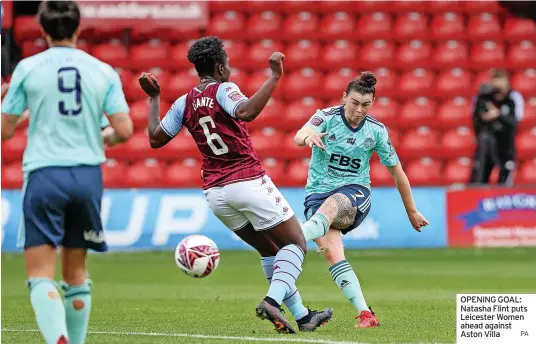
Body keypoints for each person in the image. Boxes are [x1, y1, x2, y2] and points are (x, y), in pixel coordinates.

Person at [138, 36, 332, 334]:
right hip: (248, 182)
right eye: (227, 63)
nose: (229, 68)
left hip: (216, 194)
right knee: (295, 244)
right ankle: (271, 301)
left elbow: (155, 139)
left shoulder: (183, 102)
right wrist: (275, 76)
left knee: (270, 251)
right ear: (219, 67)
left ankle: (303, 316)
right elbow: (246, 112)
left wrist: (153, 98)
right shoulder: (224, 89)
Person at [1, 2, 133, 344]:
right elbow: (124, 129)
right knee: (76, 274)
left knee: (40, 276)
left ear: (43, 30)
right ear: (78, 28)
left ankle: (57, 338)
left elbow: (5, 130)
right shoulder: (102, 70)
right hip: (87, 176)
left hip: (45, 175)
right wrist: (99, 135)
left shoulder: (28, 69)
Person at [293, 72, 430, 328]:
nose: (358, 110)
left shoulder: (376, 130)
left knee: (334, 204)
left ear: (373, 103)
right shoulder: (326, 117)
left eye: (365, 105)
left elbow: (397, 173)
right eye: (354, 102)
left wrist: (411, 211)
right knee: (333, 255)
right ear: (344, 97)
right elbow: (300, 134)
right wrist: (307, 138)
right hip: (317, 194)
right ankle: (366, 314)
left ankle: (292, 239)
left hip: (355, 194)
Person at [469, 68, 524, 185]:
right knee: (479, 179)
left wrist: (499, 115)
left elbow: (515, 122)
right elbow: (476, 120)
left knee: (504, 181)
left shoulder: (513, 98)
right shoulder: (483, 98)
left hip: (505, 145)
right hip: (486, 145)